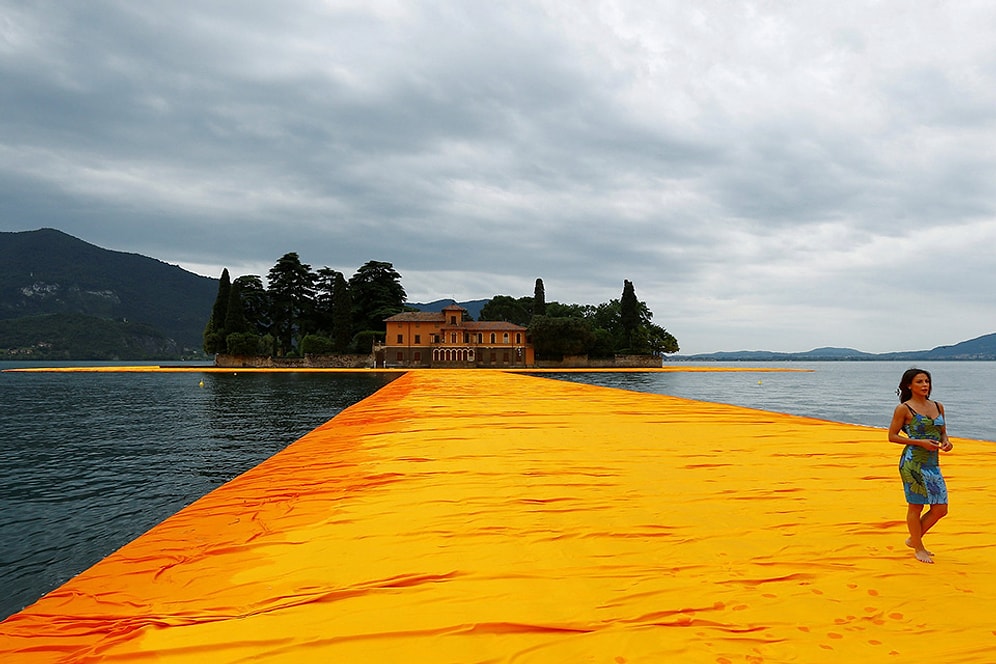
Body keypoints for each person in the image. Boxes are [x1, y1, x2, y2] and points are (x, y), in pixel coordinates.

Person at [888, 368, 953, 564]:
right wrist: (920, 442)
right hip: (912, 463)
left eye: (927, 381)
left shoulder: (938, 406)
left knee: (941, 508)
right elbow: (892, 436)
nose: (925, 385)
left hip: (933, 463)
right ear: (909, 385)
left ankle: (913, 538)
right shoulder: (904, 409)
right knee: (916, 505)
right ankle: (918, 547)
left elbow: (942, 431)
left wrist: (946, 441)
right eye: (919, 382)